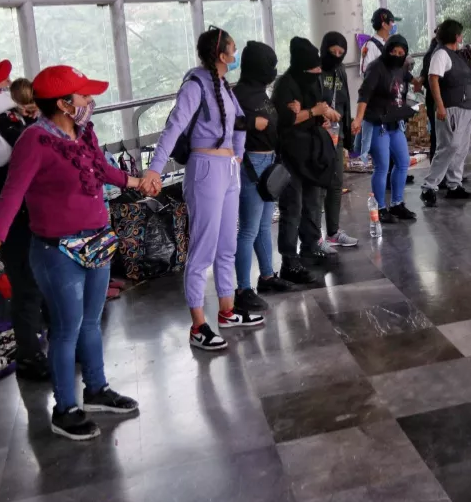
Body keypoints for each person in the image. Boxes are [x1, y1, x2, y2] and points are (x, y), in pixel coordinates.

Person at [0, 65, 147, 439]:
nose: (90, 102)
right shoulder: (34, 141)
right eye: (84, 96)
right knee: (65, 331)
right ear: (63, 103)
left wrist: (138, 181)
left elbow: (104, 170)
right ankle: (65, 409)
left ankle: (96, 390)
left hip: (98, 242)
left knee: (91, 323)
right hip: (58, 252)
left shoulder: (83, 132)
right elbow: (11, 196)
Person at [144, 27, 265, 351]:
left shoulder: (224, 85)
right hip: (205, 168)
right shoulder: (195, 84)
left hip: (227, 169)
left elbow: (239, 122)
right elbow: (174, 126)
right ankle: (198, 324)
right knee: (203, 249)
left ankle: (226, 311)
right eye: (233, 48)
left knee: (226, 244)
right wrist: (155, 168)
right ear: (221, 54)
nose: (236, 54)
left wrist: (237, 157)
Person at [0, 62, 48, 381]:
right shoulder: (1, 124)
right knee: (26, 286)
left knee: (43, 281)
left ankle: (51, 344)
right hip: (11, 216)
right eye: (5, 81)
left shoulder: (13, 118)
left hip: (32, 212)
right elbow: (7, 157)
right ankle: (29, 356)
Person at [272, 36, 338, 282]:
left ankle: (311, 244)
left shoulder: (311, 82)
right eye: (314, 69)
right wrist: (313, 112)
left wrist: (320, 116)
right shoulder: (285, 86)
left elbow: (315, 110)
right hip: (290, 155)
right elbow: (285, 120)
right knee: (293, 207)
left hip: (311, 152)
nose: (318, 72)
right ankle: (290, 259)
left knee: (313, 202)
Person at [232, 41, 292, 300]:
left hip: (268, 161)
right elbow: (224, 124)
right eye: (270, 65)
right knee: (248, 228)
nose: (273, 71)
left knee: (264, 225)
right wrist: (248, 124)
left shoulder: (260, 91)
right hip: (251, 164)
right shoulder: (238, 95)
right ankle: (243, 288)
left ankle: (267, 275)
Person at [354, 34, 417, 223]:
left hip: (395, 122)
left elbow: (410, 78)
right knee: (382, 166)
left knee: (403, 161)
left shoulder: (401, 67)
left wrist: (422, 82)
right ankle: (380, 208)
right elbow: (364, 95)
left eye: (401, 52)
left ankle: (397, 204)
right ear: (386, 50)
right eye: (394, 51)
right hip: (377, 124)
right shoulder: (376, 68)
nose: (397, 55)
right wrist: (358, 119)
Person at [422, 19, 471, 206]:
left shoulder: (457, 55)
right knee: (449, 146)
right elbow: (433, 79)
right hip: (452, 107)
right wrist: (440, 106)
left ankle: (454, 185)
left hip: (467, 106)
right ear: (455, 35)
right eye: (460, 34)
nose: (462, 37)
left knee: (461, 148)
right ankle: (429, 186)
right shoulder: (441, 54)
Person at [318, 32, 359, 250]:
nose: (336, 56)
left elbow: (345, 103)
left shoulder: (340, 70)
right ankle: (315, 238)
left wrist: (347, 136)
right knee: (318, 187)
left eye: (341, 53)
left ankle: (333, 232)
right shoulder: (315, 70)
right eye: (332, 51)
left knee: (336, 184)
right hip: (317, 136)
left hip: (337, 136)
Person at [355, 8, 401, 172]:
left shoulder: (392, 44)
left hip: (393, 99)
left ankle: (395, 169)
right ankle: (386, 173)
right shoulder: (371, 46)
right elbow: (366, 73)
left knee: (395, 136)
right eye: (391, 22)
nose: (393, 25)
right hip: (378, 102)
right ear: (384, 24)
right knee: (380, 140)